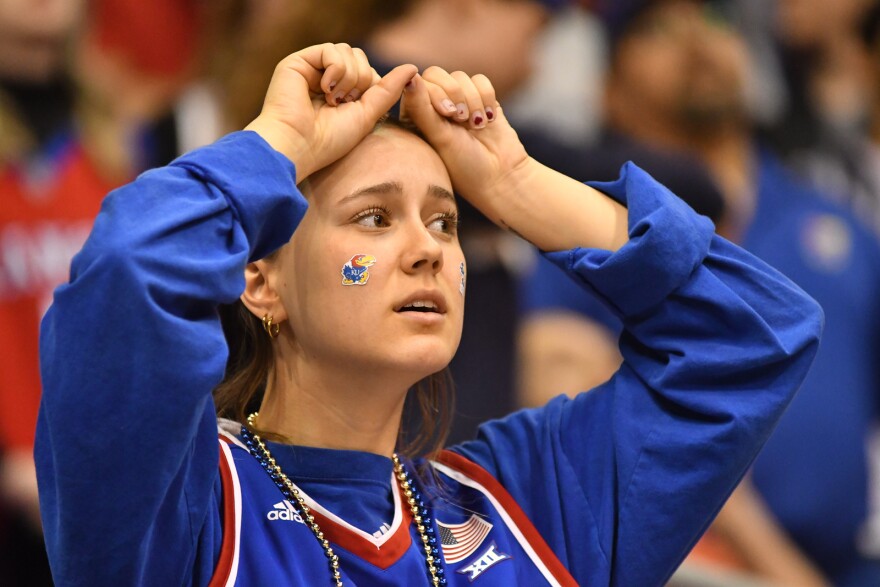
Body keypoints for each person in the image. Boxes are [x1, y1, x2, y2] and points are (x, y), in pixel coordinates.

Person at [35, 43, 822, 586]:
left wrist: (515, 185)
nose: (429, 251)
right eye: (374, 219)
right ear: (259, 283)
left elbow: (756, 331)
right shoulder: (184, 503)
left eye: (445, 221)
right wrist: (274, 143)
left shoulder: (532, 499)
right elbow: (128, 269)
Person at [519, 1, 880, 585]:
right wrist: (775, 564)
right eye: (657, 28)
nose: (695, 39)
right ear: (609, 91)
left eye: (714, 20)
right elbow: (565, 413)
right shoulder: (584, 228)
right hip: (680, 567)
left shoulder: (833, 217)